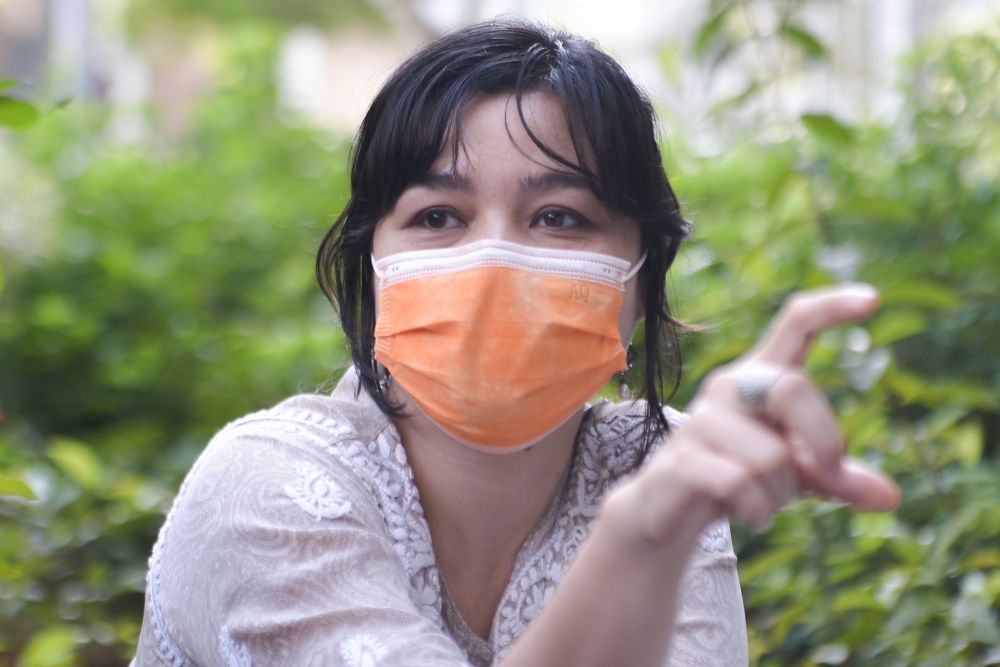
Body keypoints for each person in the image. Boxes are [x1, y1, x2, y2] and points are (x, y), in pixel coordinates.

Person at [131, 17, 900, 667]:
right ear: (374, 262)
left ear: (640, 276)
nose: (493, 258)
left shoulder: (652, 463)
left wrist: (660, 511)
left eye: (559, 216)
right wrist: (642, 534)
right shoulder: (267, 485)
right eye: (437, 216)